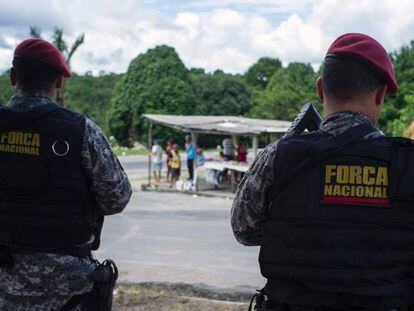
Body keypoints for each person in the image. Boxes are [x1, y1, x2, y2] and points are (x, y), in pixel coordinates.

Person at [231, 33, 413, 310]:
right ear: (379, 95)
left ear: (320, 88)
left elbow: (244, 231)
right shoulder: (407, 163)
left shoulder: (277, 157)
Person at [0, 38, 132, 310]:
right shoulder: (81, 131)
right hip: (66, 292)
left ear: (13, 77)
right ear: (59, 82)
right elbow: (117, 198)